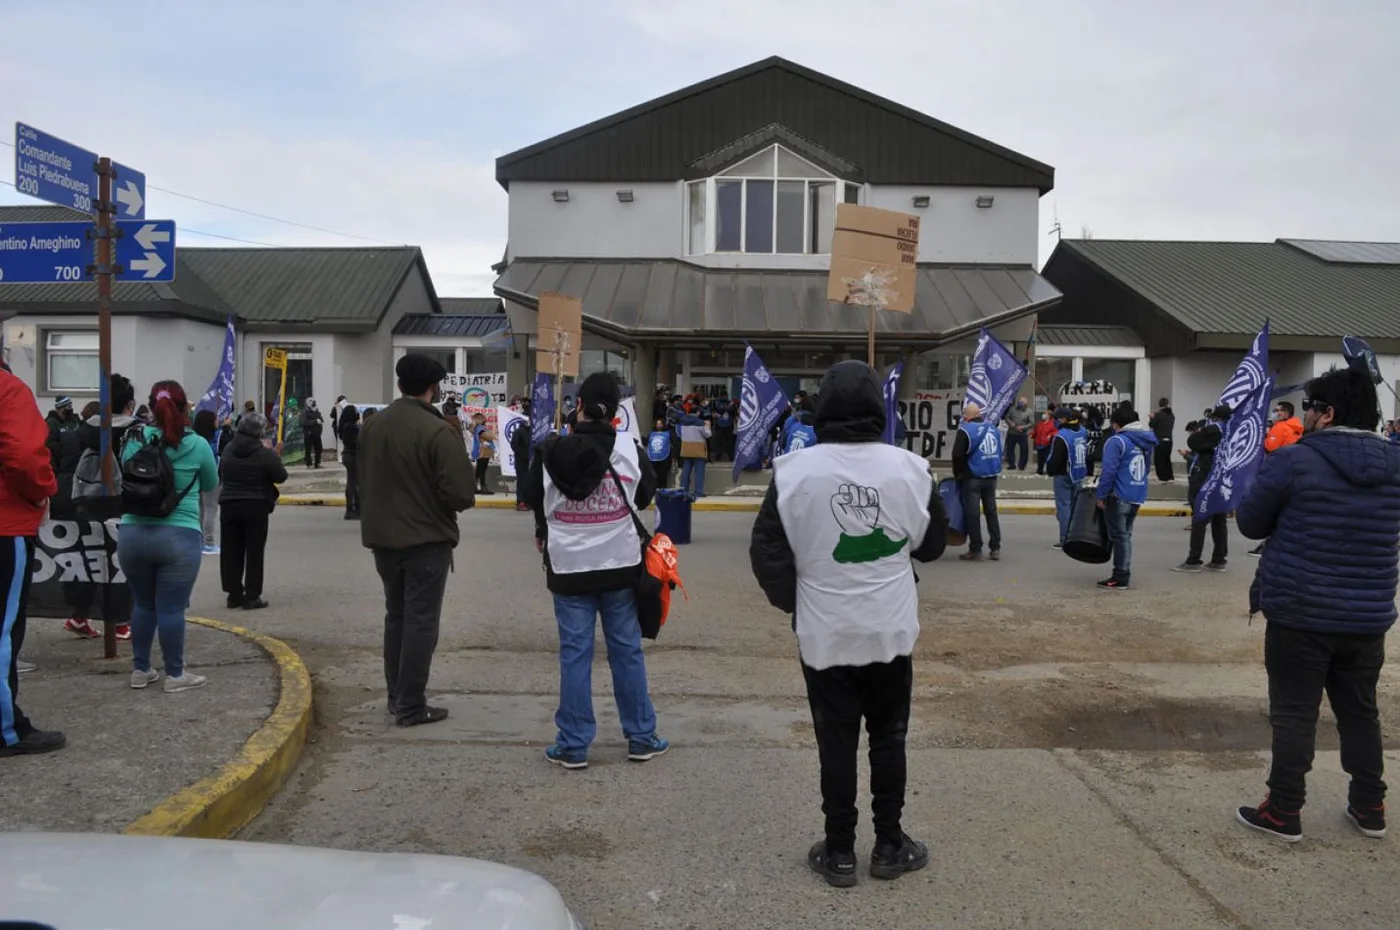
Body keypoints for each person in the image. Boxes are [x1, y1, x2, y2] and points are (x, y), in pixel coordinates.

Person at [749, 360, 947, 887]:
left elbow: (767, 553)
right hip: (890, 630)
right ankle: (888, 844)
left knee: (834, 742)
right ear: (879, 409)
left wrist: (803, 601)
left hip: (824, 634)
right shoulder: (911, 468)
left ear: (823, 411)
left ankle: (839, 851)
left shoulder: (794, 472)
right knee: (889, 738)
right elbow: (932, 546)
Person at [1234, 366, 1400, 842]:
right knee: (1360, 711)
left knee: (1294, 713)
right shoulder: (1394, 463)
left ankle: (1283, 811)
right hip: (1367, 617)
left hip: (1300, 611)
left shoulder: (1294, 461)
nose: (1302, 415)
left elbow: (1250, 523)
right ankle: (1370, 805)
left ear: (1326, 414)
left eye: (1308, 407)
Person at [521, 372, 665, 770]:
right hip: (620, 567)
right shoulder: (629, 449)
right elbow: (647, 493)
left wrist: (544, 528)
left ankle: (573, 744)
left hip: (568, 568)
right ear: (617, 411)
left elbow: (532, 496)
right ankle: (640, 736)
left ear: (578, 405)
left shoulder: (551, 449)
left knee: (574, 655)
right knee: (627, 652)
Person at [358, 354, 475, 727]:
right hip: (425, 539)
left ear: (400, 384)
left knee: (397, 617)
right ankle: (411, 704)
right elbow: (461, 494)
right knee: (421, 622)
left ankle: (396, 697)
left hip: (383, 540)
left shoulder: (373, 426)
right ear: (434, 388)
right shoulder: (437, 431)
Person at [118, 381, 220, 693]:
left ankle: (140, 669)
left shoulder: (133, 439)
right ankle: (175, 675)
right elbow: (210, 483)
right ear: (184, 408)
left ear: (150, 405)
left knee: (143, 604)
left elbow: (125, 473)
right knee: (172, 608)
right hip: (179, 534)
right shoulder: (198, 444)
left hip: (133, 533)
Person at [0, 362, 65, 757]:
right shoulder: (8, 389)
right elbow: (25, 455)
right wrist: (42, 492)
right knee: (3, 631)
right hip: (6, 524)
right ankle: (7, 729)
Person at [219, 413, 288, 611]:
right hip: (256, 505)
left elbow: (221, 472)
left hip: (229, 503)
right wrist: (276, 454)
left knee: (231, 550)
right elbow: (280, 476)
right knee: (254, 551)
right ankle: (251, 595)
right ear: (259, 431)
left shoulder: (228, 449)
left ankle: (233, 594)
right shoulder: (263, 453)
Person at [1094, 407, 1157, 590]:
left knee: (1120, 537)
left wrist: (1101, 495)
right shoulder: (1144, 441)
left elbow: (1109, 471)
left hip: (1118, 495)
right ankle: (1123, 572)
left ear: (1116, 423)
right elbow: (1145, 470)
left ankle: (1120, 576)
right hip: (1136, 494)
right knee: (1126, 536)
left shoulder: (1117, 441)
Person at [1173, 405, 1231, 573]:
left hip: (1205, 473)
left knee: (1199, 515)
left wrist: (1201, 432)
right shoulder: (1233, 432)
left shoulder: (1213, 430)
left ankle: (1194, 559)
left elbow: (1193, 442)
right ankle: (1219, 558)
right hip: (1221, 474)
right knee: (1219, 518)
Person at [952, 402, 1002, 561]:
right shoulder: (993, 429)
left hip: (973, 476)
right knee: (991, 512)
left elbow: (957, 455)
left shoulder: (965, 430)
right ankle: (995, 547)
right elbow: (1000, 450)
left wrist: (958, 474)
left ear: (968, 416)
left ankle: (976, 549)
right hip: (991, 475)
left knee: (972, 514)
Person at [1045, 407, 1088, 549]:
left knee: (1064, 508)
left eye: (1055, 419)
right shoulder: (1082, 431)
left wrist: (1049, 469)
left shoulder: (1061, 436)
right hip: (1079, 473)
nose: (1054, 422)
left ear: (1063, 420)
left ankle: (1065, 539)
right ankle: (1077, 536)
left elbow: (1056, 459)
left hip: (1064, 474)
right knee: (1076, 508)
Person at [193, 409, 222, 556]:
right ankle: (208, 542)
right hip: (212, 476)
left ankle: (198, 541)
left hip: (195, 477)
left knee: (200, 508)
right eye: (215, 419)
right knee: (211, 508)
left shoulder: (194, 439)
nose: (218, 422)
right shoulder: (214, 439)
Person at [677, 409, 712, 497]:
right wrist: (707, 426)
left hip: (686, 448)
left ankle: (683, 490)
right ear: (698, 413)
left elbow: (680, 434)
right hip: (698, 449)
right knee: (699, 472)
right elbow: (708, 435)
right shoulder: (699, 423)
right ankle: (698, 492)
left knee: (686, 471)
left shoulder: (682, 422)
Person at [339, 405, 361, 520]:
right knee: (354, 483)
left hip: (349, 456)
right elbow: (355, 441)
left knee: (354, 482)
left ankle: (355, 508)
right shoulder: (349, 427)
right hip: (352, 456)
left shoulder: (346, 426)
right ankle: (351, 509)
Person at [1148, 397, 1176, 481]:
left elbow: (1151, 425)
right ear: (1167, 404)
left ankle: (1162, 477)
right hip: (1169, 440)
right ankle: (1170, 476)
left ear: (1159, 405)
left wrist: (1152, 417)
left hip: (1160, 440)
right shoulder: (1172, 415)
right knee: (1167, 458)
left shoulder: (1158, 415)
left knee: (1159, 459)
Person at [1002, 397, 1033, 471]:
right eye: (1019, 402)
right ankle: (1011, 465)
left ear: (1026, 404)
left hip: (1022, 434)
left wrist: (1023, 427)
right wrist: (1010, 423)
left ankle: (1022, 466)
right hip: (1011, 433)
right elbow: (1006, 417)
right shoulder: (1012, 409)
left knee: (1024, 450)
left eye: (1022, 403)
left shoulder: (1029, 411)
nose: (1020, 404)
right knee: (1010, 449)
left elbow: (1032, 423)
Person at [468, 412, 496, 495]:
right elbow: (489, 436)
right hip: (484, 451)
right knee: (482, 470)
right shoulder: (481, 428)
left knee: (479, 470)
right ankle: (484, 488)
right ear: (480, 419)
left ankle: (473, 488)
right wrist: (492, 434)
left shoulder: (477, 428)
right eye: (483, 418)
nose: (485, 419)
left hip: (480, 451)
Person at [647, 418, 673, 490]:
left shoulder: (668, 434)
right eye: (657, 424)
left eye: (660, 424)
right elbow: (646, 441)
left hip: (664, 459)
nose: (658, 425)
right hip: (653, 458)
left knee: (662, 475)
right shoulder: (651, 434)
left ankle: (662, 489)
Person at [299, 399, 324, 469]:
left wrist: (318, 417)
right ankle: (308, 463)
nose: (313, 403)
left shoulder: (316, 410)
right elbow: (303, 422)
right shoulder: (304, 412)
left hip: (317, 434)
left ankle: (317, 463)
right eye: (311, 402)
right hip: (308, 433)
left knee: (319, 449)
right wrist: (315, 421)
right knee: (308, 449)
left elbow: (321, 420)